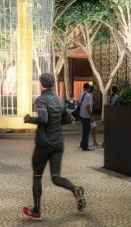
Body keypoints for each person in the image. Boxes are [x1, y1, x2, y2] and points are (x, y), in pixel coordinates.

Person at [22, 72, 85, 221]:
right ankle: (75, 190)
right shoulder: (59, 100)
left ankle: (36, 211)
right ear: (52, 84)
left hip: (43, 145)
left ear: (41, 85)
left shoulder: (41, 100)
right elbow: (67, 119)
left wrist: (28, 119)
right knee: (56, 177)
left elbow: (43, 119)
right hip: (58, 144)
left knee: (37, 177)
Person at [79, 83, 94, 151]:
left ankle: (82, 143)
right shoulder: (88, 95)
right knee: (87, 131)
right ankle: (85, 147)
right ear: (88, 88)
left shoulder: (81, 94)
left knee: (84, 130)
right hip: (86, 116)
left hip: (81, 115)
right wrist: (91, 117)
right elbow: (88, 107)